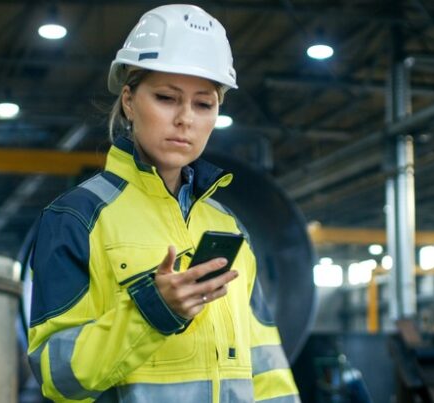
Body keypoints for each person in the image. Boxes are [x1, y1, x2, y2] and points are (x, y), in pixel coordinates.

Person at [27, 4, 300, 402]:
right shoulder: (76, 218)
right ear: (129, 101)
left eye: (204, 104)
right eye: (167, 98)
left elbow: (266, 364)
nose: (185, 119)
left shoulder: (227, 226)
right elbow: (56, 376)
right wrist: (151, 312)